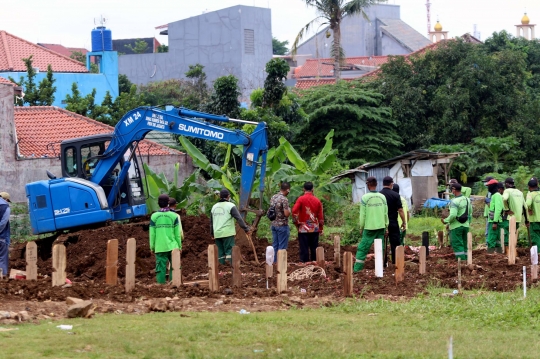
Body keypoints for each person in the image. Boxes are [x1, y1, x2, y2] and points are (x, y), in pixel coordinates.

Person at [354, 177, 388, 272]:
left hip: (369, 227)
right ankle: (380, 269)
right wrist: (386, 226)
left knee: (363, 248)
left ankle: (357, 269)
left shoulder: (365, 198)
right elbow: (385, 213)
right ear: (376, 184)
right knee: (380, 249)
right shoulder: (382, 197)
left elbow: (363, 215)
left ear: (368, 185)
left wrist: (361, 227)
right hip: (381, 227)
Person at [210, 189, 250, 265]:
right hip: (227, 233)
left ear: (220, 196)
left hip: (217, 233)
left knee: (220, 251)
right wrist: (246, 229)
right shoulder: (230, 206)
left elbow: (211, 222)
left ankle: (222, 268)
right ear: (228, 196)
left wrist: (212, 233)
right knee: (229, 250)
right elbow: (239, 218)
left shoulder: (214, 207)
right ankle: (230, 268)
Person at [149, 194, 182, 284]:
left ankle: (161, 286)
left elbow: (152, 234)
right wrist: (179, 246)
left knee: (160, 267)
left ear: (158, 203)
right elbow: (177, 234)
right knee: (174, 266)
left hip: (160, 247)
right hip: (173, 246)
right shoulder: (174, 216)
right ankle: (173, 283)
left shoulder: (154, 216)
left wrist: (152, 247)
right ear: (168, 203)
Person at [292, 182, 324, 263]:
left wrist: (297, 223)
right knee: (314, 248)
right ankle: (314, 264)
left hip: (303, 228)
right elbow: (320, 217)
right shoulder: (317, 200)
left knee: (304, 248)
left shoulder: (300, 199)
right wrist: (321, 228)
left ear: (303, 189)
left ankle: (304, 264)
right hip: (314, 228)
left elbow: (294, 211)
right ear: (313, 190)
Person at [441, 183, 472, 260]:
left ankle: (461, 262)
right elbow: (470, 212)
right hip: (466, 226)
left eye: (452, 189)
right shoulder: (467, 199)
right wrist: (468, 223)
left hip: (456, 226)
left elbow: (453, 215)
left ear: (454, 190)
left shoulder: (454, 201)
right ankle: (467, 260)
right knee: (465, 244)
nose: (452, 191)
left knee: (458, 244)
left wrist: (445, 221)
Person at [379, 176, 406, 264]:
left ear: (383, 184)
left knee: (382, 243)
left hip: (382, 222)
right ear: (391, 184)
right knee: (395, 243)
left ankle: (382, 262)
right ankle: (396, 262)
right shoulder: (395, 195)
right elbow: (400, 210)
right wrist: (404, 222)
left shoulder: (379, 195)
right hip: (393, 222)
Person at [502, 177, 528, 246]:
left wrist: (507, 209)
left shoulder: (507, 191)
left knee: (507, 235)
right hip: (518, 218)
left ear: (507, 184)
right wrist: (526, 220)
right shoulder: (520, 192)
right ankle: (513, 251)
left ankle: (507, 252)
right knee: (513, 234)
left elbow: (504, 199)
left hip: (509, 218)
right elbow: (525, 207)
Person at [269, 182, 291, 262]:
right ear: (287, 189)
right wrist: (289, 210)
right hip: (282, 225)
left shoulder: (274, 197)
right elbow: (286, 214)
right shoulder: (284, 199)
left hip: (274, 224)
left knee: (275, 244)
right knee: (282, 246)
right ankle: (281, 264)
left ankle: (275, 262)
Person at [486, 179, 504, 251]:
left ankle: (490, 255)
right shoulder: (494, 195)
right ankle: (498, 255)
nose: (488, 188)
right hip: (494, 220)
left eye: (489, 186)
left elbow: (498, 209)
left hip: (494, 221)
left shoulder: (496, 195)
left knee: (491, 239)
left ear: (492, 186)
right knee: (496, 239)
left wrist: (495, 222)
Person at [526, 178, 540, 248]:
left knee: (535, 238)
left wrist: (529, 208)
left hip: (535, 221)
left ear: (529, 187)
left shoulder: (530, 194)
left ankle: (538, 255)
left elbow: (527, 204)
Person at [0, 192, 11, 278]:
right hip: (1, 237)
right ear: (5, 199)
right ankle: (3, 277)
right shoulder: (5, 206)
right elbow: (3, 222)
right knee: (2, 258)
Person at [482, 176, 494, 242]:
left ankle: (488, 245)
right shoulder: (489, 192)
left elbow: (491, 203)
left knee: (488, 231)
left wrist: (486, 200)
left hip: (491, 214)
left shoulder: (492, 193)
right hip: (488, 214)